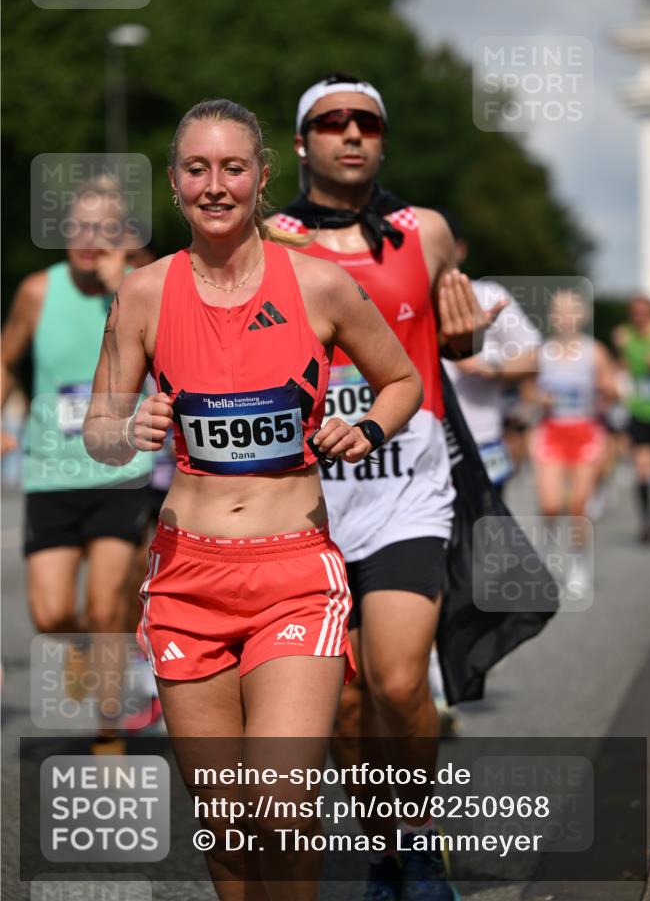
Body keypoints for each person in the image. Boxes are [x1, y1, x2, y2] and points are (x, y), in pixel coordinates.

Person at [83, 97, 423, 901]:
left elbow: (402, 379)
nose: (214, 185)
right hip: (185, 579)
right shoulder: (142, 291)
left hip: (293, 574)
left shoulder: (319, 285)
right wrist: (130, 427)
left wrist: (368, 428)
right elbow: (97, 426)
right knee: (226, 813)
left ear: (262, 178)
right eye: (196, 169)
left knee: (280, 804)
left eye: (232, 168)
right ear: (173, 183)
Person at [271, 73, 505, 901]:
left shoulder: (424, 234)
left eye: (365, 122)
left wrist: (468, 340)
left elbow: (454, 345)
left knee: (400, 681)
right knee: (343, 702)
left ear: (382, 138)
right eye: (330, 122)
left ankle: (418, 841)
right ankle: (385, 850)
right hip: (306, 497)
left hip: (409, 484)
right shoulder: (266, 241)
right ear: (301, 143)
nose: (350, 134)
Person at [0, 177, 153, 751]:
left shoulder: (147, 287)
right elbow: (6, 359)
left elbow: (177, 364)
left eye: (105, 229)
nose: (91, 240)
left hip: (120, 471)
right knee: (52, 611)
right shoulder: (38, 292)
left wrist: (124, 288)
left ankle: (107, 732)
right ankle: (85, 650)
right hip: (50, 473)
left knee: (106, 601)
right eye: (80, 228)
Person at [441, 232, 541, 499]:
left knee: (483, 530)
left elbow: (533, 358)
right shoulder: (401, 295)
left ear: (460, 249)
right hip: (422, 445)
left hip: (484, 440)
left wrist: (491, 368)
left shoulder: (488, 295)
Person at [529, 289, 617, 592]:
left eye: (571, 311)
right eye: (559, 311)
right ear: (551, 317)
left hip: (585, 433)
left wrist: (606, 389)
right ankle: (548, 555)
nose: (565, 317)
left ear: (582, 316)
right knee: (551, 505)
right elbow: (528, 391)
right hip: (551, 432)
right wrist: (540, 398)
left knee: (578, 506)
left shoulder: (595, 351)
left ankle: (578, 563)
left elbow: (614, 389)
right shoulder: (542, 352)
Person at [613, 295, 650, 542]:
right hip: (640, 412)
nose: (640, 318)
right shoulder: (624, 336)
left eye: (644, 313)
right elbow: (623, 366)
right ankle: (647, 521)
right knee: (643, 470)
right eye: (635, 313)